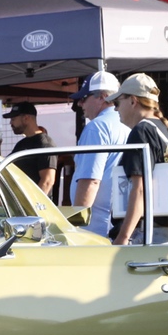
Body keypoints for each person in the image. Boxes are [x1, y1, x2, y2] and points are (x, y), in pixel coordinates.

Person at [109, 73, 168, 246]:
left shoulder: (141, 131)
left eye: (117, 102)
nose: (116, 109)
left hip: (143, 233)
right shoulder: (161, 128)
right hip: (161, 232)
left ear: (133, 101)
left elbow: (139, 190)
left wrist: (123, 238)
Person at [68, 71, 129, 237]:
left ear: (102, 97)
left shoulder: (97, 127)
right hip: (120, 224)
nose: (80, 104)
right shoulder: (127, 123)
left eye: (84, 98)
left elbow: (90, 180)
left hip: (96, 230)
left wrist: (75, 228)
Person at [3, 102, 58, 196]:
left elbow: (47, 181)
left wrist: (35, 206)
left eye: (13, 119)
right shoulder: (21, 144)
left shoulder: (45, 144)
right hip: (19, 205)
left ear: (26, 118)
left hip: (34, 207)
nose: (10, 123)